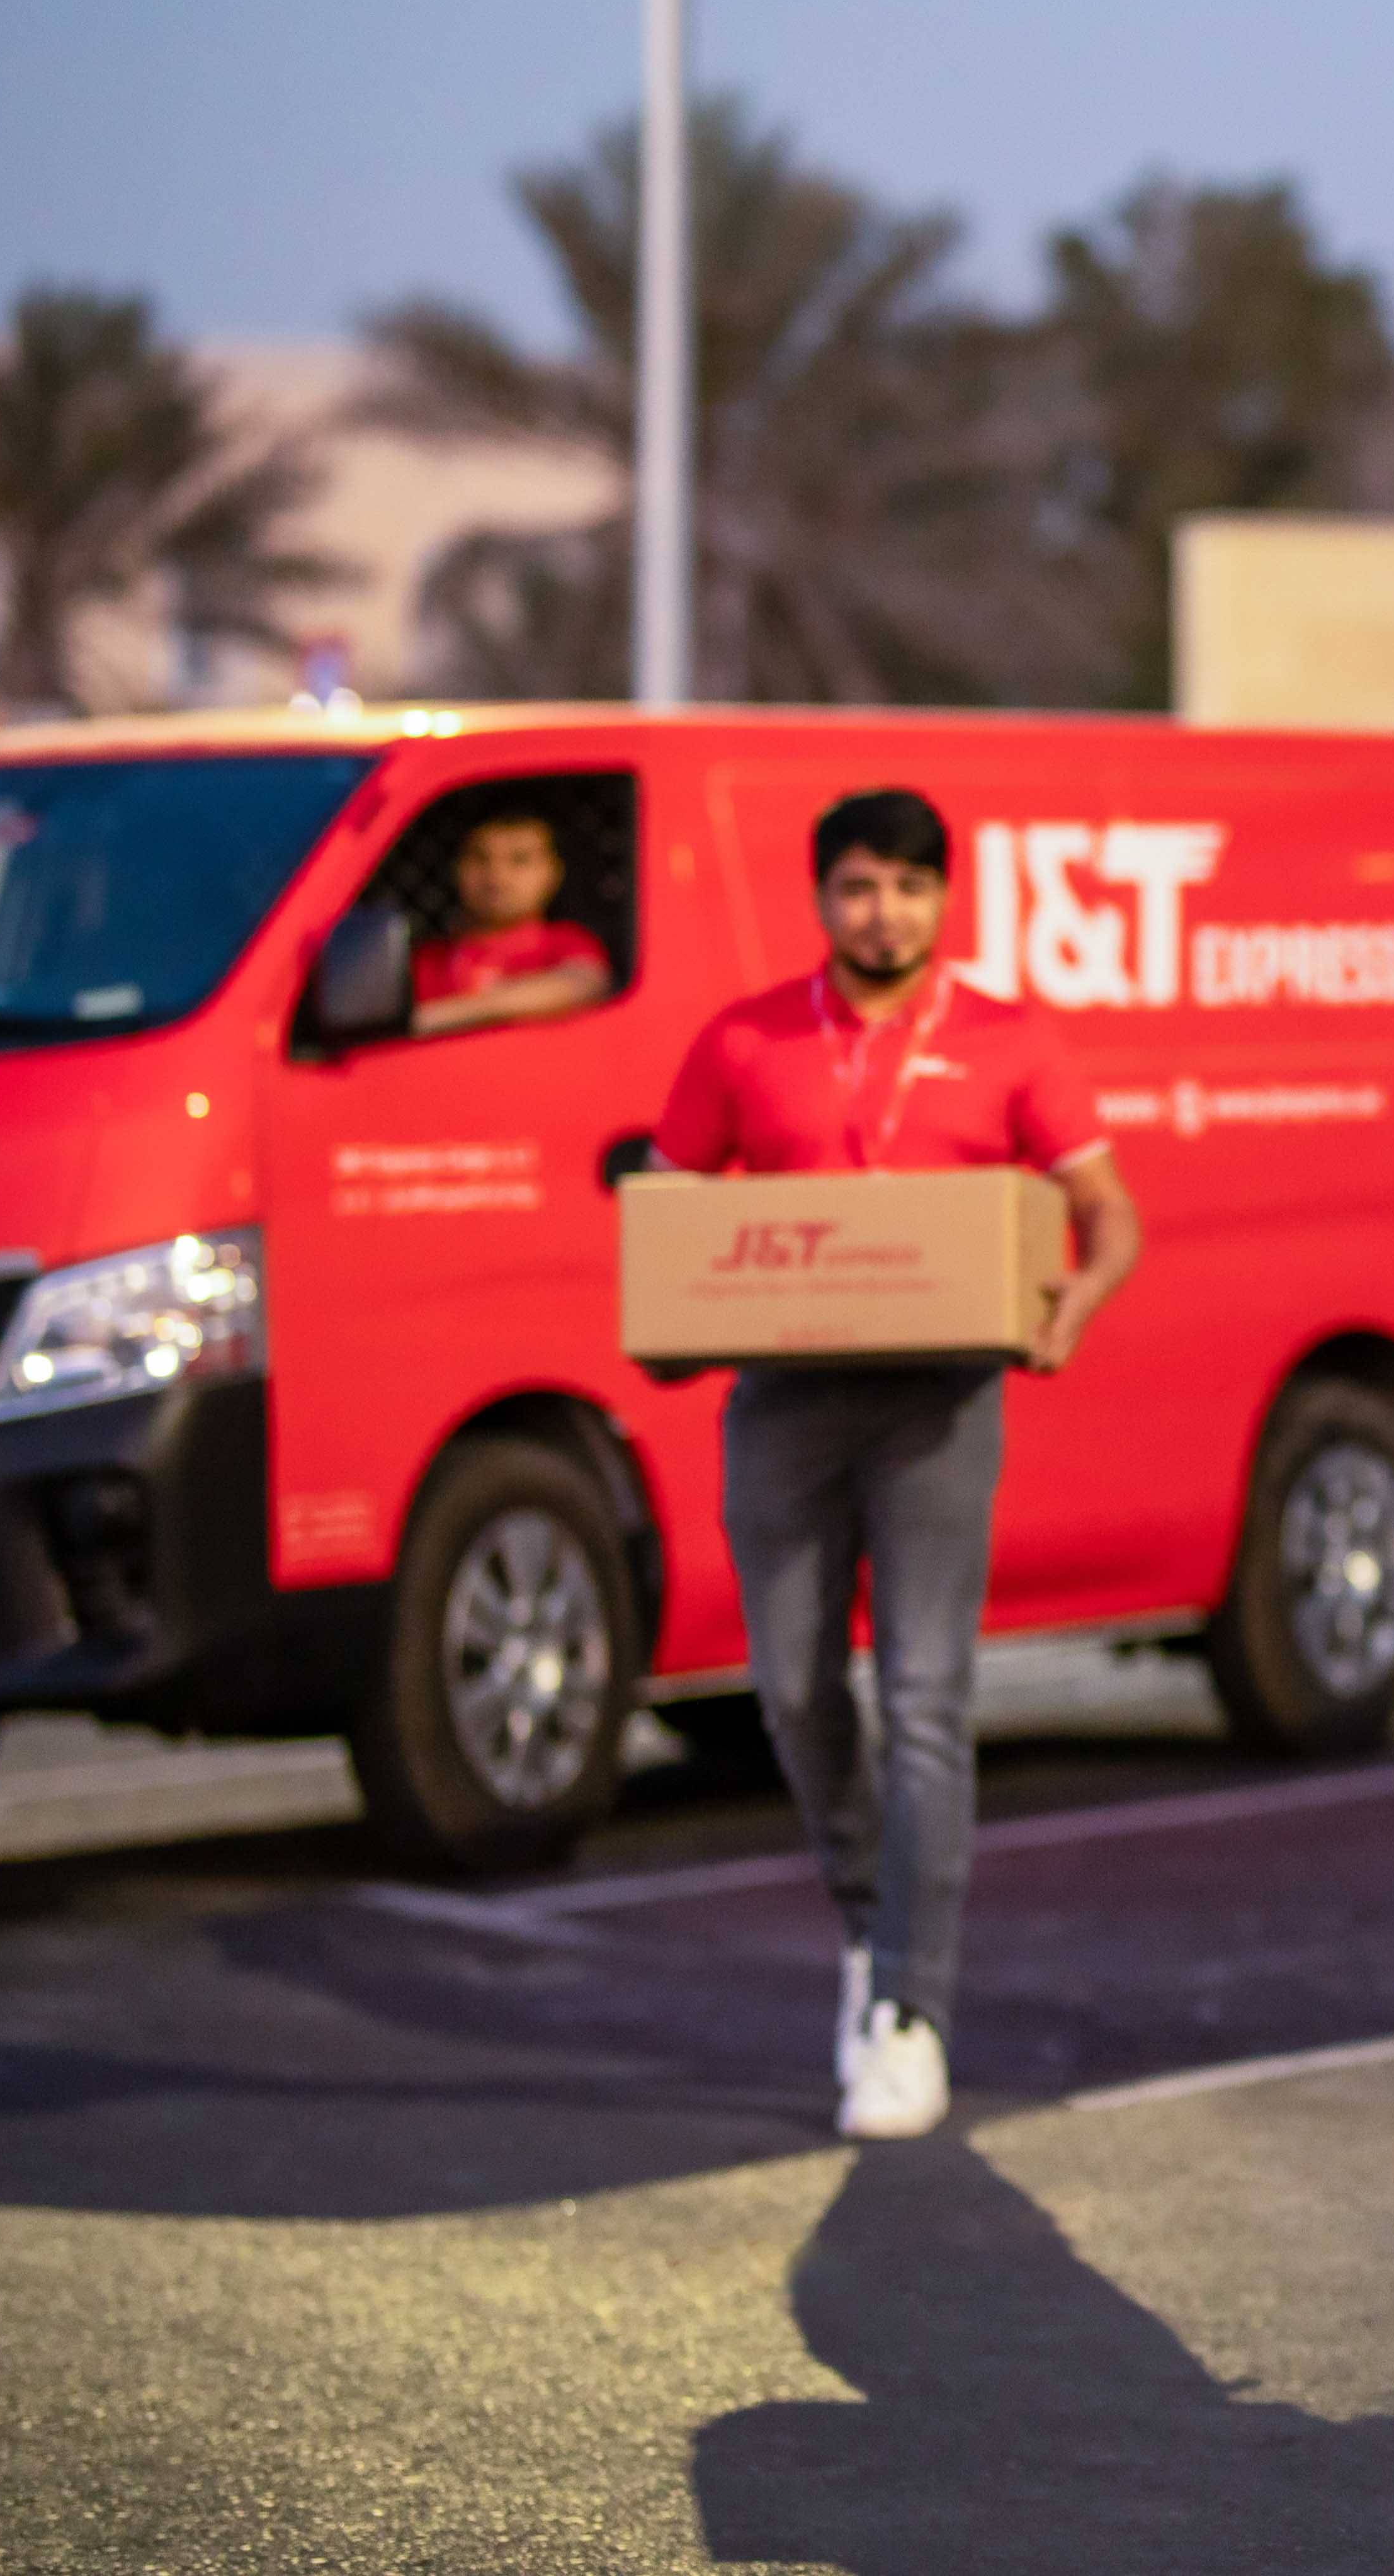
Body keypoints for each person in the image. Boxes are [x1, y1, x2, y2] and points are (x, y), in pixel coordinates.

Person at [651, 787, 1144, 2140]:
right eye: (862, 887)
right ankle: (874, 1923)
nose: (888, 913)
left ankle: (912, 2007)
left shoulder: (1005, 1039)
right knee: (796, 1687)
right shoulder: (746, 1040)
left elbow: (1110, 1213)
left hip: (941, 1403)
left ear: (945, 898)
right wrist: (673, 1323)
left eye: (912, 888)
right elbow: (669, 1210)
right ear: (822, 897)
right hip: (786, 1401)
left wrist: (1073, 1303)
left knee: (926, 1693)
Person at [411, 807, 613, 1036]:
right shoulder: (425, 959)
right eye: (480, 858)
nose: (497, 876)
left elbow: (583, 984)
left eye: (520, 860)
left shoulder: (567, 943)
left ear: (553, 872)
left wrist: (440, 1016)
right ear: (457, 868)